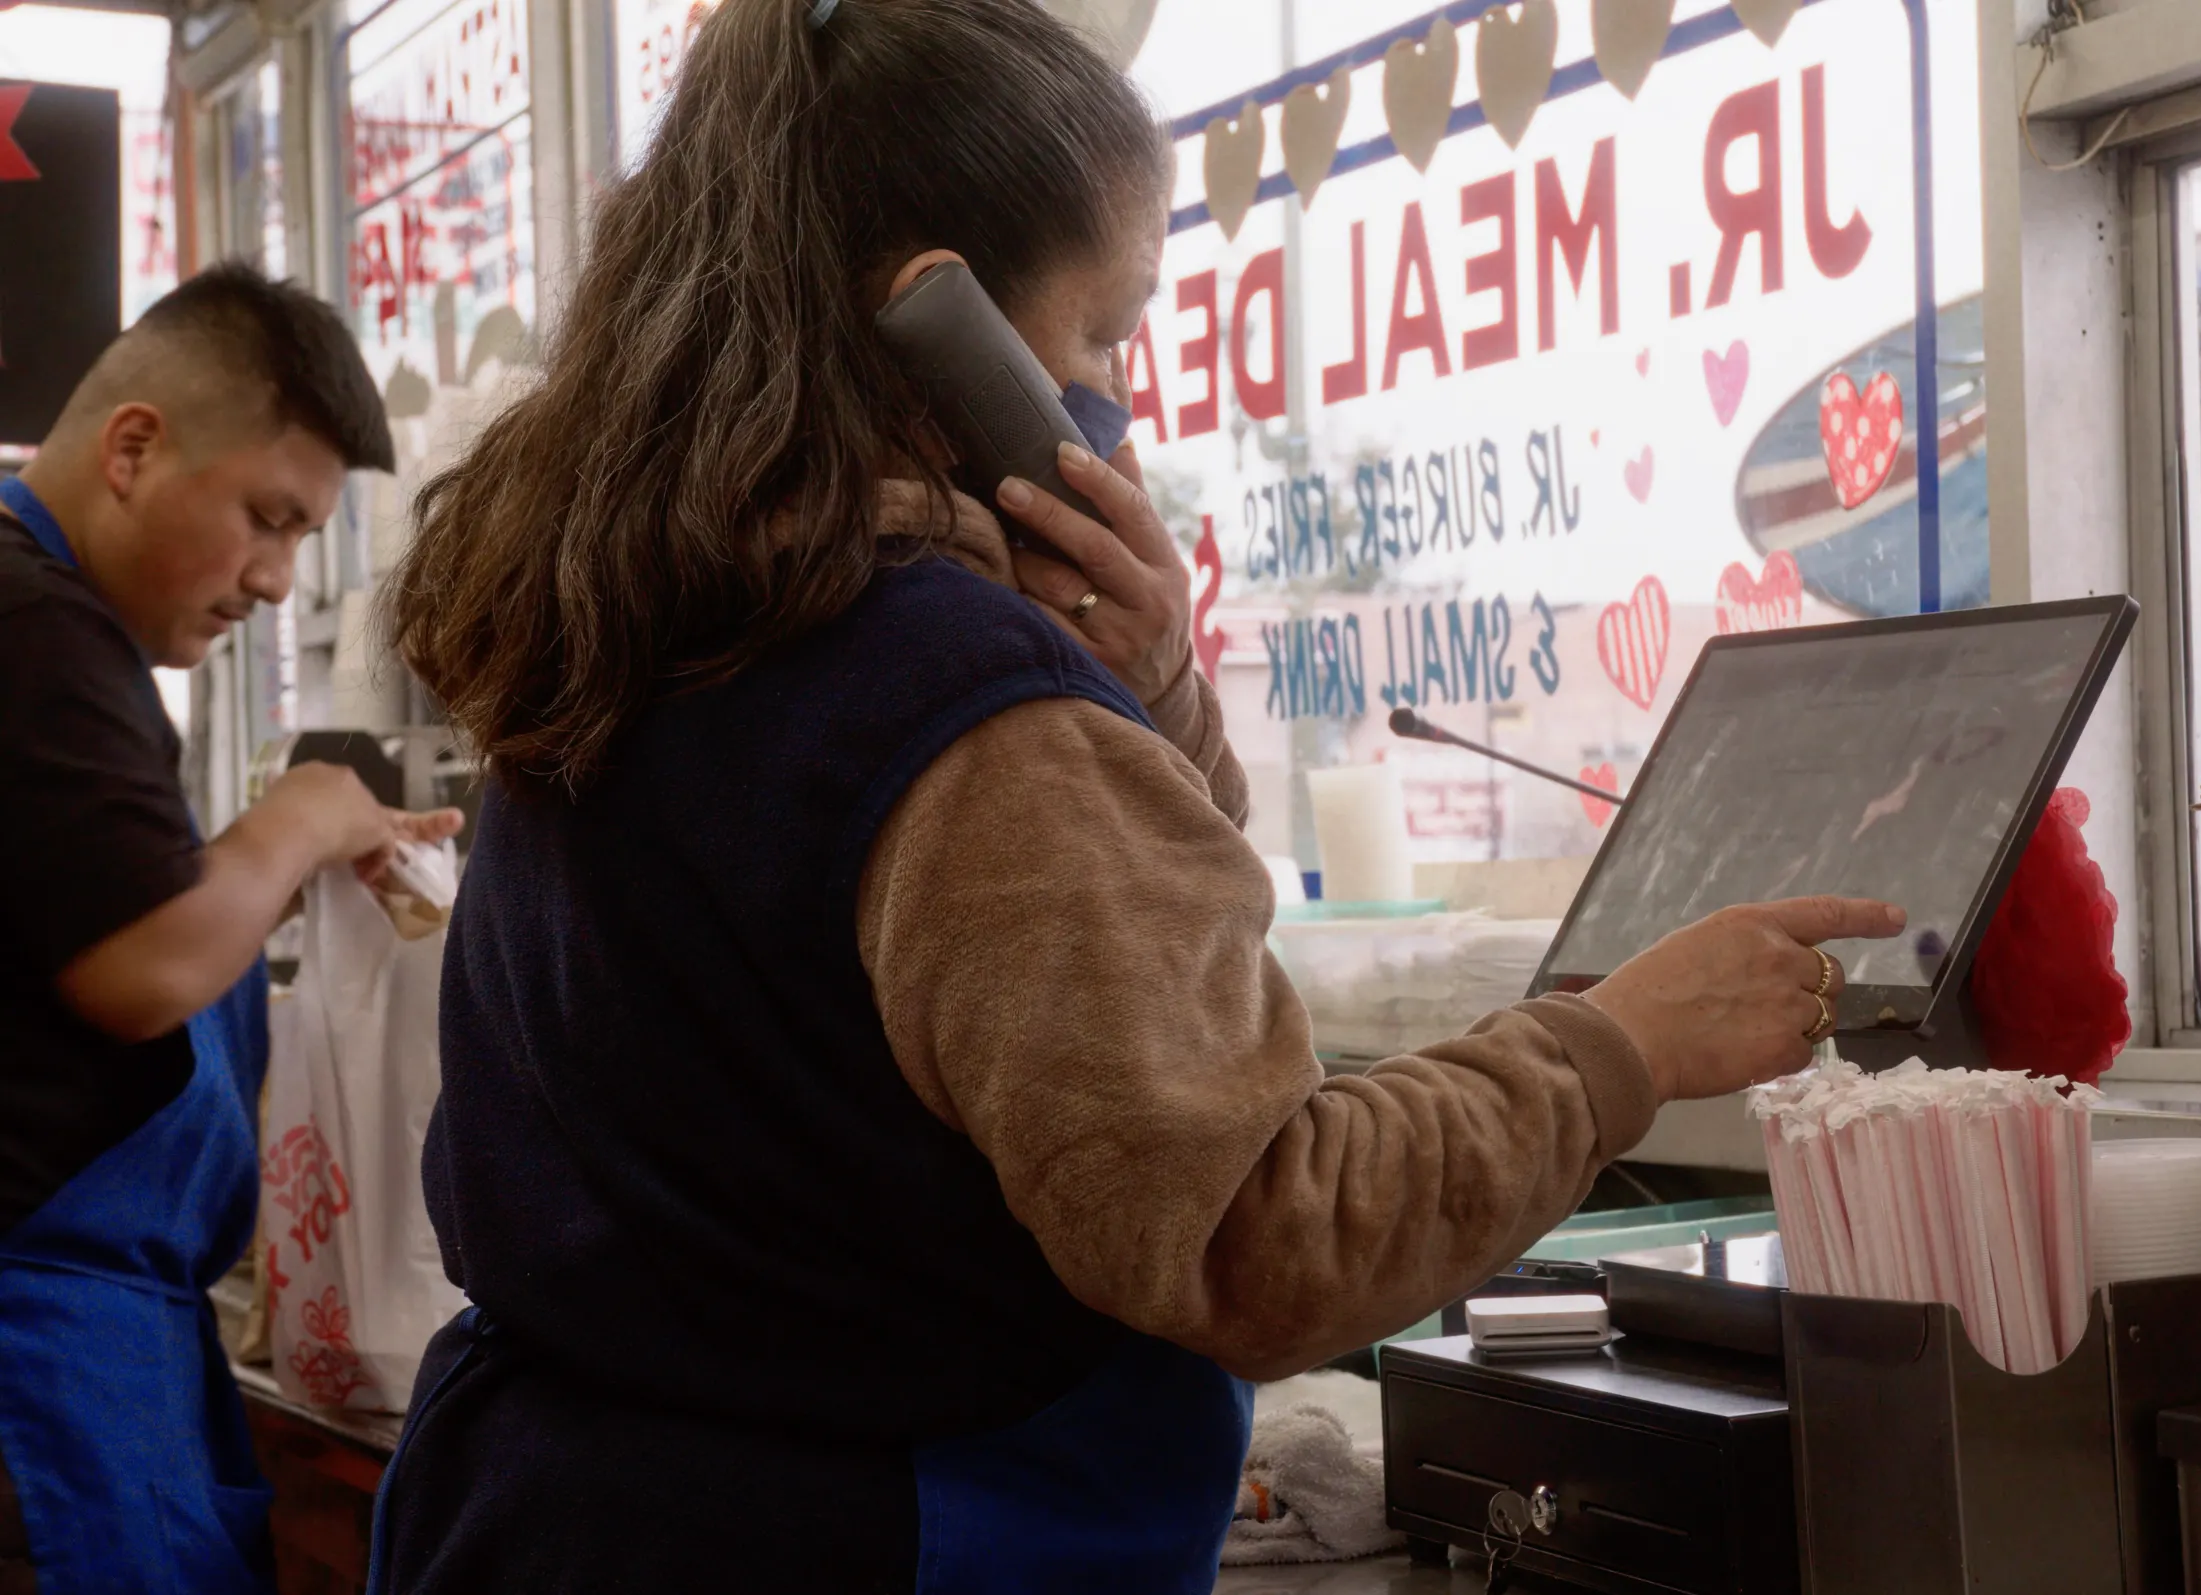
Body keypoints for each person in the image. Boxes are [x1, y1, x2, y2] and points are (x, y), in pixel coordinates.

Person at [370, 0, 1901, 1588]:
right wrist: (1617, 1044)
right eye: (1104, 333)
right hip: (859, 1535)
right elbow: (1257, 1228)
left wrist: (1141, 680)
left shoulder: (643, 629)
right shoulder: (958, 705)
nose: (1123, 392)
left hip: (545, 1513)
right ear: (934, 323)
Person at [0, 263, 462, 1595]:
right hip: (37, 1367)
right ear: (134, 447)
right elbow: (145, 964)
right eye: (267, 518)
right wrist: (309, 815)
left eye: (305, 540)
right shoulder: (36, 629)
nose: (275, 580)